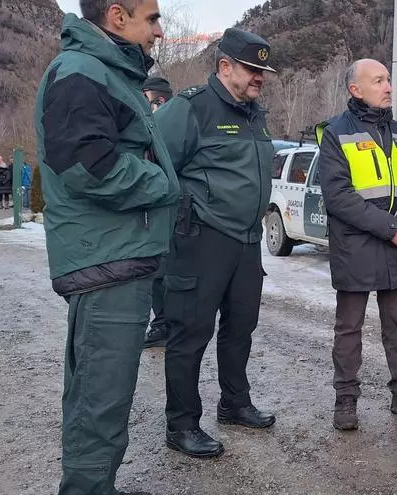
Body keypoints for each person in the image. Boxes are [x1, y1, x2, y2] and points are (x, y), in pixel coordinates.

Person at [34, 1, 179, 493]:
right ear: (118, 16)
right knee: (100, 400)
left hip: (115, 256)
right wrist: (163, 182)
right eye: (152, 18)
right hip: (107, 260)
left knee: (101, 397)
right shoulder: (83, 70)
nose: (159, 30)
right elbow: (84, 162)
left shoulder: (105, 72)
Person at [153, 27, 277, 458]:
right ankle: (182, 424)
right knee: (190, 333)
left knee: (241, 326)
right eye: (252, 69)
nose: (260, 77)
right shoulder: (190, 109)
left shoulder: (255, 114)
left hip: (247, 241)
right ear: (225, 67)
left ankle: (235, 402)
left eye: (264, 70)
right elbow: (157, 171)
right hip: (201, 239)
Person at [316, 58, 397, 431]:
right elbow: (337, 195)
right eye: (378, 81)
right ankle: (345, 397)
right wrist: (391, 226)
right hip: (356, 246)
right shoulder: (336, 134)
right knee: (349, 327)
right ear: (356, 90)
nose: (388, 86)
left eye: (388, 79)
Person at [141, 75, 174, 349]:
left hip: (168, 209)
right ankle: (165, 322)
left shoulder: (162, 125)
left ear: (159, 100)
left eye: (146, 99)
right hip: (167, 208)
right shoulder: (174, 120)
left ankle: (164, 324)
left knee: (161, 272)